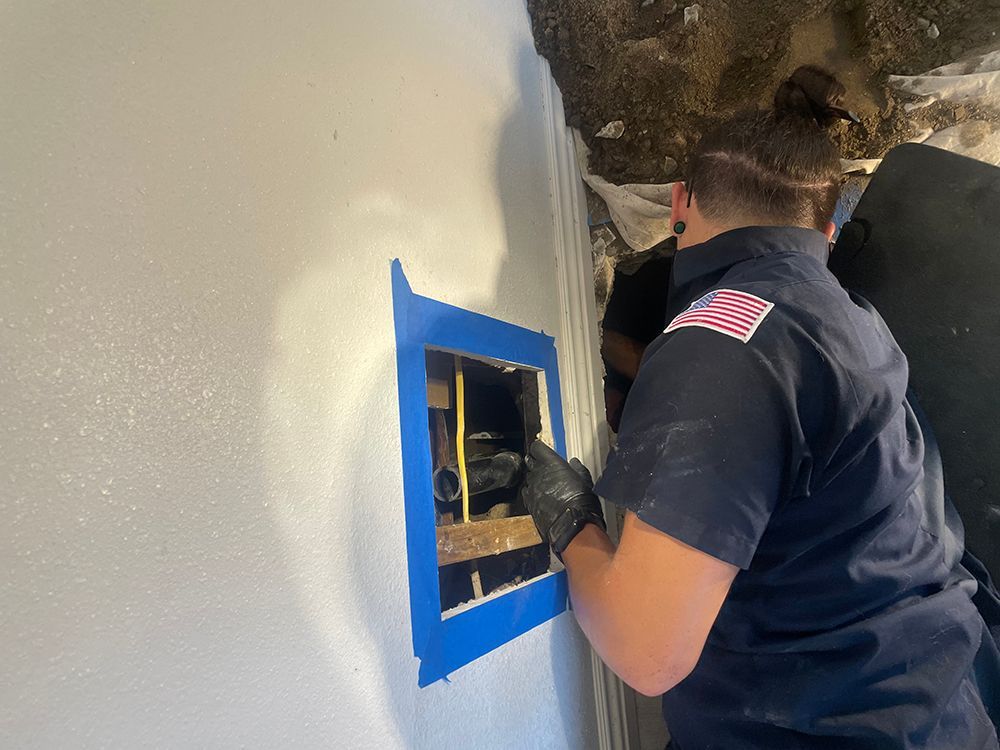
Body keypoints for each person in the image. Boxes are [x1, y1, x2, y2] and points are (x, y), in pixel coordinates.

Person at [521, 66, 1000, 749]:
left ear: (680, 202)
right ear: (828, 229)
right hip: (939, 703)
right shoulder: (856, 321)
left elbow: (646, 650)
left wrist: (574, 525)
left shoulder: (719, 340)